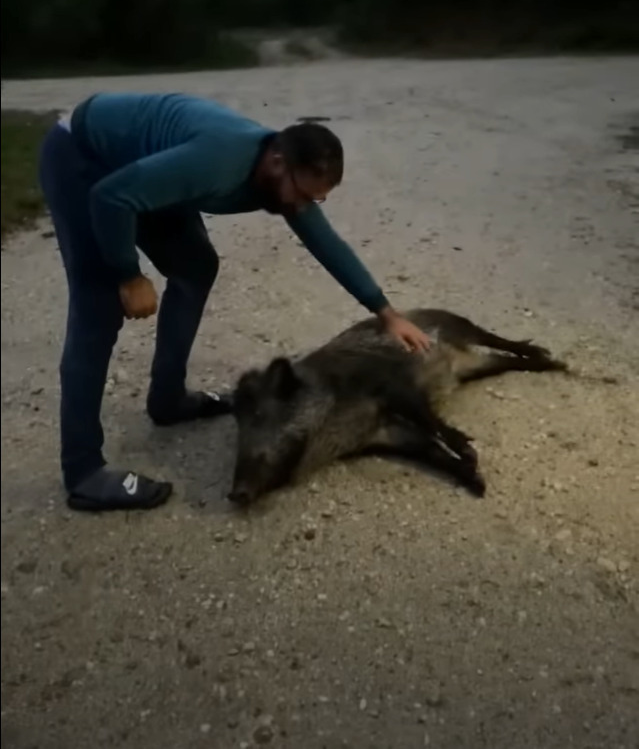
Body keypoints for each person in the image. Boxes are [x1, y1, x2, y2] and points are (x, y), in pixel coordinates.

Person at [39, 92, 431, 513]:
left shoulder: (279, 175)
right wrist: (128, 274)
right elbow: (111, 197)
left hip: (142, 170)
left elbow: (325, 242)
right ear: (278, 162)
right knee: (97, 308)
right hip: (85, 160)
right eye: (302, 194)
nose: (302, 207)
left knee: (195, 266)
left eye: (314, 200)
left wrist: (386, 313)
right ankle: (83, 474)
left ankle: (167, 400)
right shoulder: (218, 163)